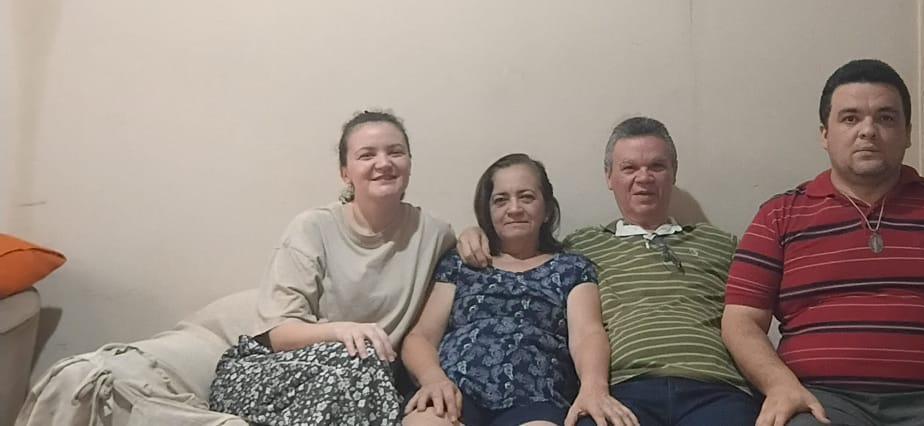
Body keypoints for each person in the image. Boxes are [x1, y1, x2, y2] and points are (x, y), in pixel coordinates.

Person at [722, 59, 924, 426]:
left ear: (907, 133)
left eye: (886, 118)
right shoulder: (779, 215)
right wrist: (780, 385)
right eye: (850, 118)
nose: (868, 131)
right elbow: (740, 319)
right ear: (825, 135)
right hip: (821, 402)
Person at [459, 118, 759, 426]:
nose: (644, 178)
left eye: (656, 166)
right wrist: (475, 234)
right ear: (609, 177)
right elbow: (526, 250)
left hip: (716, 388)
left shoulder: (720, 243)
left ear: (673, 172)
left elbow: (751, 321)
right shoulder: (580, 247)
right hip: (623, 392)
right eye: (629, 168)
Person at [208, 110, 456, 426]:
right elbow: (278, 333)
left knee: (364, 368)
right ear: (345, 173)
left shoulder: (434, 233)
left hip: (365, 380)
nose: (383, 163)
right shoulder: (312, 228)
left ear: (409, 163)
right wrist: (341, 331)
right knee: (358, 359)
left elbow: (477, 255)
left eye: (395, 152)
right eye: (367, 155)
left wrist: (477, 235)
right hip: (274, 372)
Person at [401, 153, 636, 426]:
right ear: (488, 212)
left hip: (537, 398)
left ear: (546, 209)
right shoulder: (461, 263)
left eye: (526, 197)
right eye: (501, 200)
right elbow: (420, 337)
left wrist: (594, 388)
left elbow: (587, 334)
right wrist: (433, 379)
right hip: (455, 391)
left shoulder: (571, 267)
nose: (514, 209)